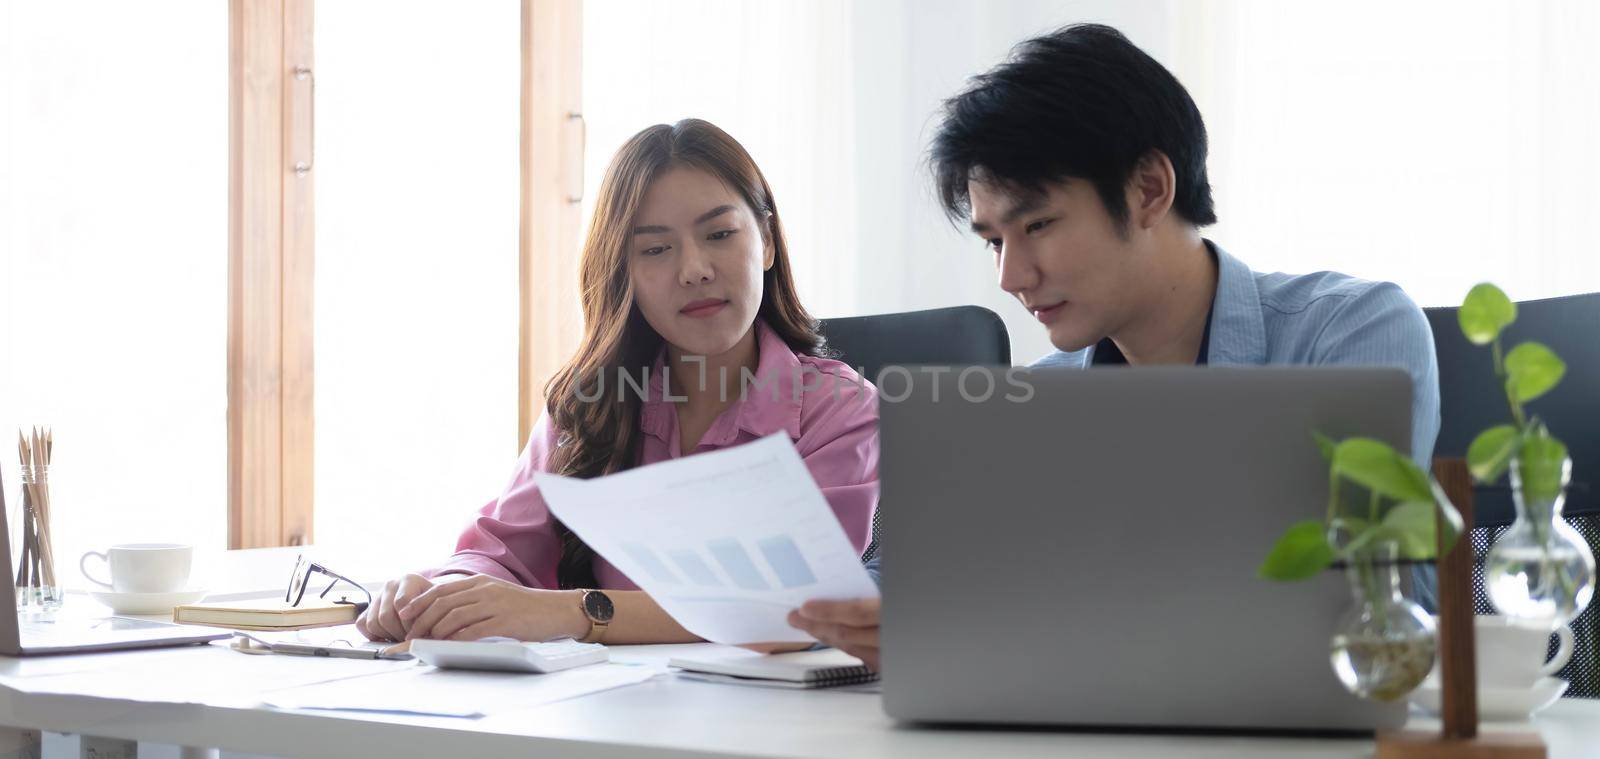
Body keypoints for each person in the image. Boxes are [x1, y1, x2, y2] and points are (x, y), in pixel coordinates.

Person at [790, 23, 1440, 672]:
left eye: (1038, 224)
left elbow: (1356, 591)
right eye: (994, 240)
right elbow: (892, 573)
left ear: (1150, 189)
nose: (1011, 277)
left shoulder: (1351, 332)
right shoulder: (1031, 401)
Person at [356, 119, 879, 645]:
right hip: (611, 707)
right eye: (655, 250)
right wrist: (437, 596)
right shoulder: (591, 402)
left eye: (719, 235)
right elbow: (500, 553)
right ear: (623, 271)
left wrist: (577, 613)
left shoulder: (841, 408)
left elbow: (794, 608)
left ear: (766, 242)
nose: (694, 269)